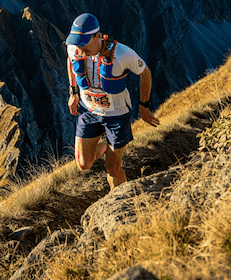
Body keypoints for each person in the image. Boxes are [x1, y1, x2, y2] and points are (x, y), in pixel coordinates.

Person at [65, 12, 160, 189]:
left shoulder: (123, 54)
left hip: (117, 115)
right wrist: (73, 92)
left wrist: (144, 106)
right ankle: (106, 143)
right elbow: (71, 62)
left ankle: (122, 206)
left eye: (84, 43)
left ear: (98, 37)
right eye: (77, 43)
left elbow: (145, 73)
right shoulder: (73, 48)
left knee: (112, 166)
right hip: (90, 111)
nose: (79, 48)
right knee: (83, 164)